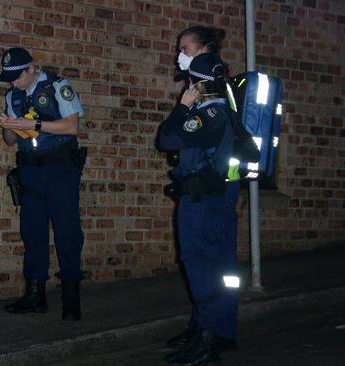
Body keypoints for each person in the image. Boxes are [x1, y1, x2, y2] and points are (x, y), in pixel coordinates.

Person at [157, 53, 239, 366]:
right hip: (208, 200)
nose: (187, 87)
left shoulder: (208, 114)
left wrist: (182, 107)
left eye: (191, 83)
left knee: (201, 268)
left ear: (199, 86)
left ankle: (207, 341)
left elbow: (166, 139)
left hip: (202, 202)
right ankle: (208, 334)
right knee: (211, 268)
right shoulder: (221, 111)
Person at [0, 47, 85, 321]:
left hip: (60, 168)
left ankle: (71, 298)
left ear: (31, 69)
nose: (12, 83)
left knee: (67, 232)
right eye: (9, 78)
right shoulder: (13, 96)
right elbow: (11, 142)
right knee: (32, 232)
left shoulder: (58, 86)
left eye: (17, 77)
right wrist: (8, 126)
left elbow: (72, 127)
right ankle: (35, 295)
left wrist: (34, 126)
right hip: (31, 171)